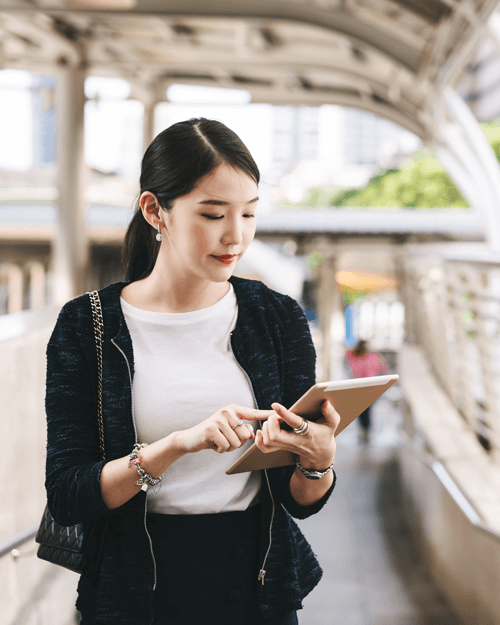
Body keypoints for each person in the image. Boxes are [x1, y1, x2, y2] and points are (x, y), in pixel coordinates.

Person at [44, 118, 340, 625]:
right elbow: (69, 493)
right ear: (155, 210)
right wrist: (176, 445)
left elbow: (300, 502)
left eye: (249, 214)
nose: (236, 235)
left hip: (254, 590)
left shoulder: (276, 317)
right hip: (136, 589)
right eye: (212, 214)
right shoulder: (86, 325)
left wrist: (319, 460)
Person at [345, 339, 388, 442]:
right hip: (361, 388)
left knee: (365, 410)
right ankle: (365, 431)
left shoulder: (371, 357)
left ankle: (365, 431)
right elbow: (383, 371)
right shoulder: (363, 357)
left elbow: (383, 371)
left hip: (367, 388)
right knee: (362, 411)